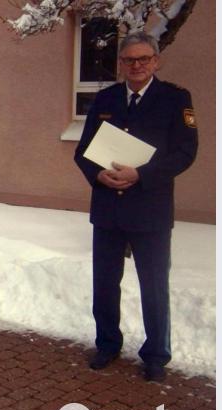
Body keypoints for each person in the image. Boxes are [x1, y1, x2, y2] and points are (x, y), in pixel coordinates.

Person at [74, 32, 198, 382]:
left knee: (154, 284)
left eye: (144, 59)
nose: (137, 65)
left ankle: (156, 354)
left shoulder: (175, 99)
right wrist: (99, 175)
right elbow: (82, 150)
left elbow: (185, 153)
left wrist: (140, 175)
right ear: (121, 64)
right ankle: (107, 344)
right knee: (105, 283)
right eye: (130, 60)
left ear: (156, 62)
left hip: (150, 210)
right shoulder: (105, 99)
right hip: (108, 208)